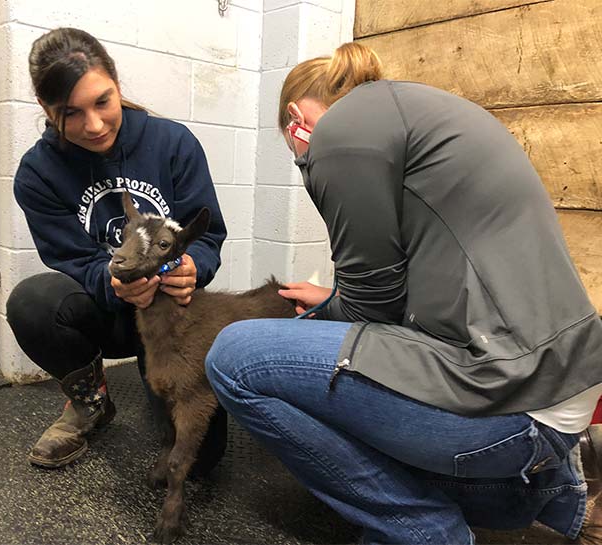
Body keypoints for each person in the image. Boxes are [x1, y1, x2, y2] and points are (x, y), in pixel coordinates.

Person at [205, 41, 602, 544]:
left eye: (295, 154)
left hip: (510, 396)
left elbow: (374, 308)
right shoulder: (416, 110)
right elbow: (424, 280)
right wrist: (331, 298)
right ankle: (562, 489)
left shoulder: (341, 132)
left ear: (295, 120)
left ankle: (420, 531)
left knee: (234, 357)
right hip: (557, 386)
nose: (303, 162)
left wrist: (313, 322)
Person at [6, 27, 228, 474]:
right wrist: (113, 284)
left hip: (171, 317)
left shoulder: (172, 142)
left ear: (117, 85)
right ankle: (91, 403)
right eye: (70, 113)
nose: (93, 125)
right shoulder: (37, 174)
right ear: (46, 110)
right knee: (32, 303)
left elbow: (208, 236)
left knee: (201, 459)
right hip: (109, 312)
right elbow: (75, 260)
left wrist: (191, 265)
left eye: (102, 102)